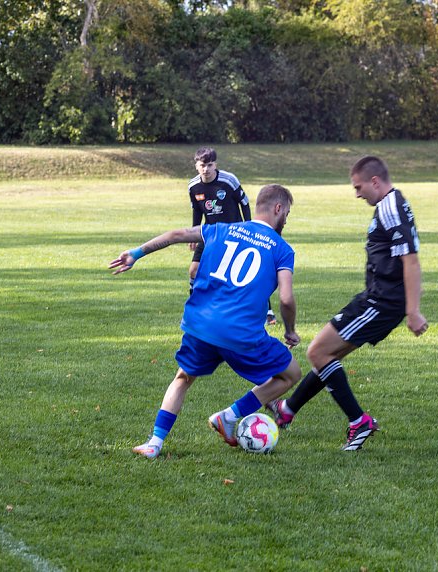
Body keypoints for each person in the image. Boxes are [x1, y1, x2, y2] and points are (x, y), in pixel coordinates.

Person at [110, 184, 301, 459]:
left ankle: (154, 442)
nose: (286, 220)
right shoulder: (282, 249)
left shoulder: (221, 229)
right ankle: (229, 416)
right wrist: (290, 330)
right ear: (278, 209)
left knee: (183, 377)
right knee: (291, 374)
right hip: (241, 334)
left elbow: (177, 234)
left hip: (200, 324)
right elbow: (285, 299)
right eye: (287, 214)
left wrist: (136, 253)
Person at [267, 156, 428, 451]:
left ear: (375, 182)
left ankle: (359, 422)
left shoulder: (390, 206)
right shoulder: (392, 203)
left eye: (359, 187)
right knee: (330, 356)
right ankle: (287, 410)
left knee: (318, 351)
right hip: (381, 298)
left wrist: (413, 310)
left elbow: (411, 259)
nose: (357, 194)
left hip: (381, 301)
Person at [187, 147, 277, 325]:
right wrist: (193, 234)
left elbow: (244, 203)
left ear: (215, 165)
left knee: (247, 273)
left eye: (210, 165)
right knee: (194, 270)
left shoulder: (229, 180)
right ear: (196, 166)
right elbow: (197, 211)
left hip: (235, 233)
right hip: (210, 233)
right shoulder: (193, 186)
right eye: (202, 165)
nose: (206, 169)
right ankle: (196, 309)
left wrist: (250, 227)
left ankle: (268, 311)